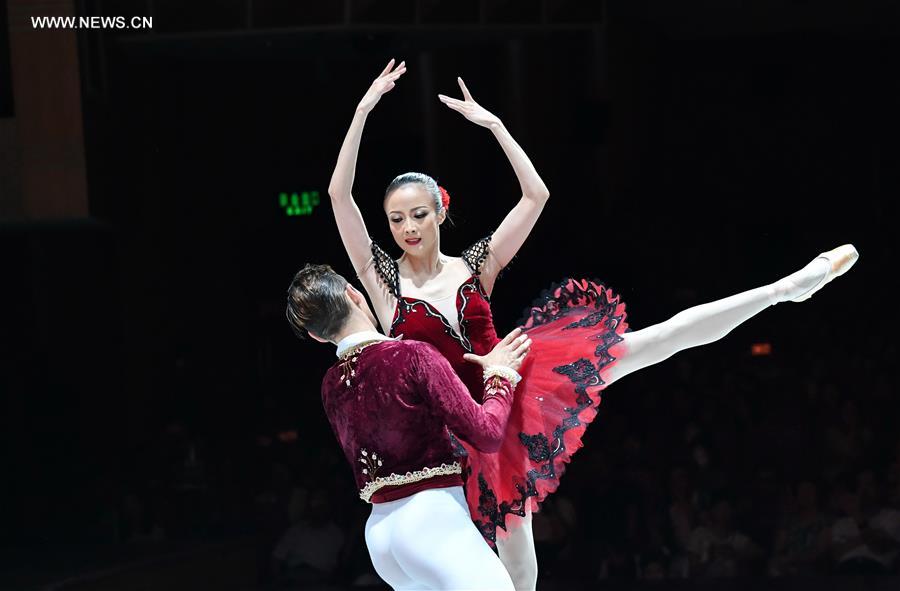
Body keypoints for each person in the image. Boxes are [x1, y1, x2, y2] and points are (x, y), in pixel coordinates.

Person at [327, 58, 860, 589]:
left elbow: (536, 195)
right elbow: (338, 196)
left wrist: (494, 126)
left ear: (440, 212)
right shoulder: (383, 283)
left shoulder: (475, 266)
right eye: (396, 219)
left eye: (418, 214)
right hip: (465, 430)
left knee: (662, 338)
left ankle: (786, 289)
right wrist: (362, 111)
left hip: (521, 384)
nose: (407, 228)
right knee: (519, 574)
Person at [285, 263, 532, 590]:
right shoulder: (411, 355)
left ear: (317, 335)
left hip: (381, 536)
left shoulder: (331, 384)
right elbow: (486, 434)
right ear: (354, 295)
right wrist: (499, 376)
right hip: (430, 519)